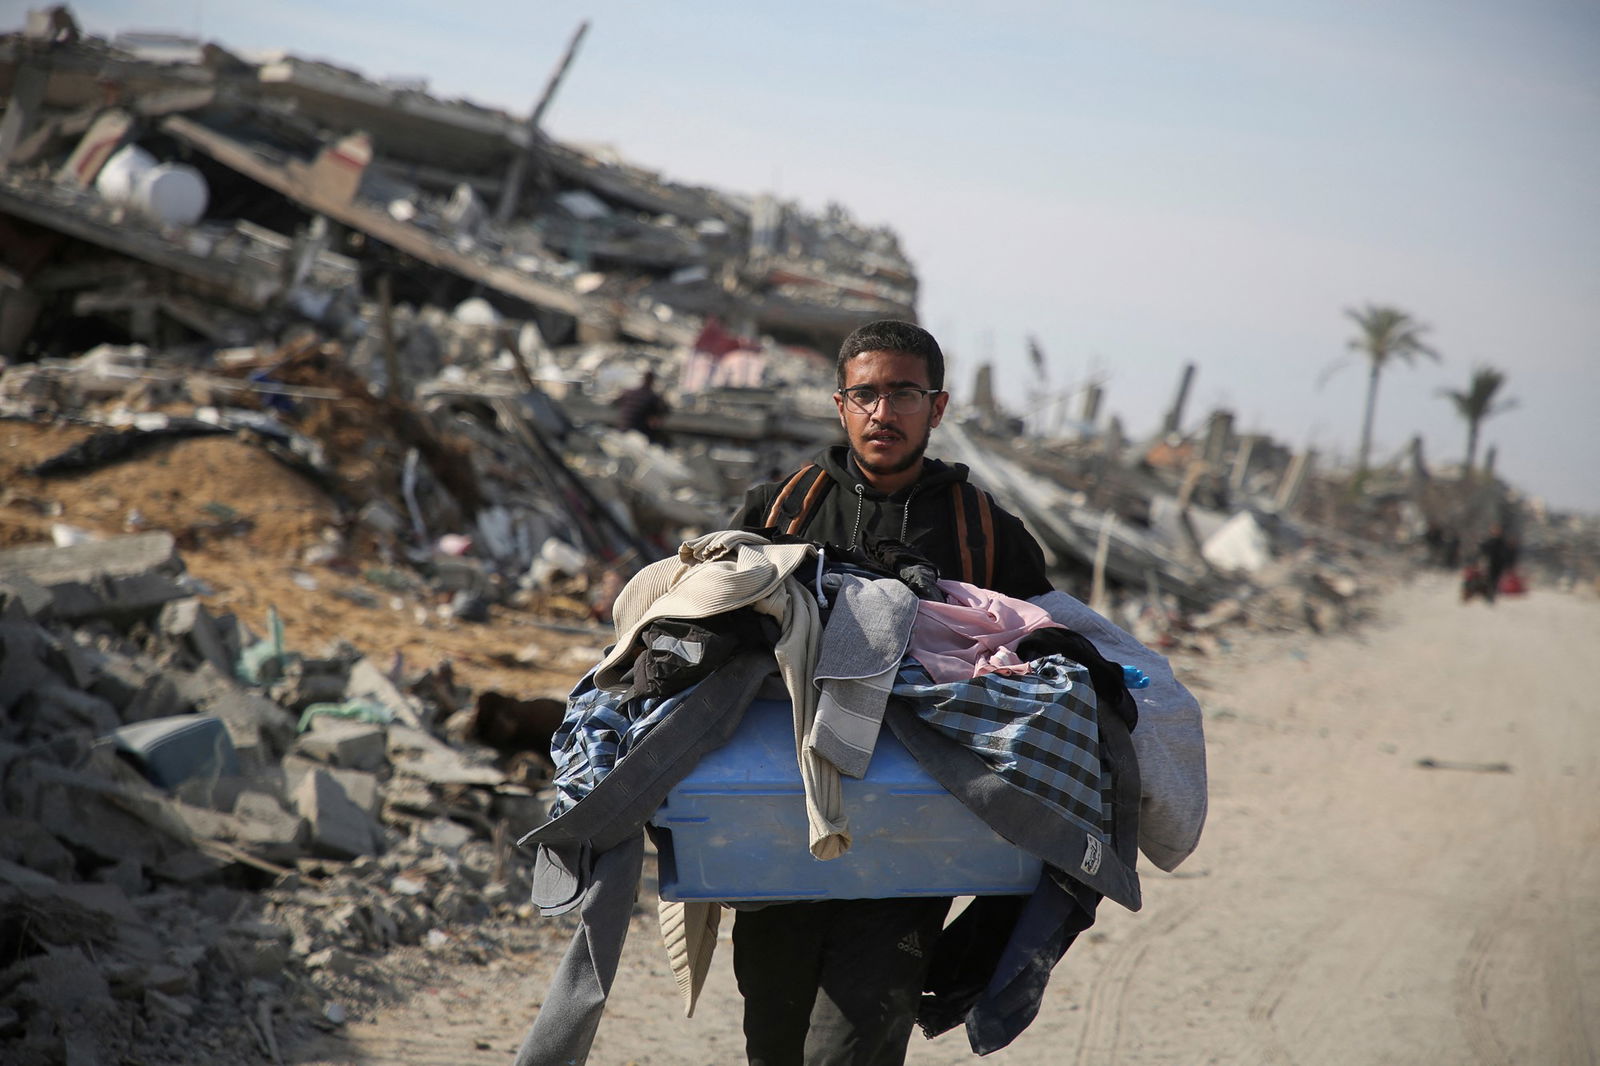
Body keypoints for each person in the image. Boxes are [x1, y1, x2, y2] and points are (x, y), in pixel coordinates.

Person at [726, 319, 1055, 1066]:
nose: (883, 413)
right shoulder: (779, 512)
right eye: (865, 395)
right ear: (839, 406)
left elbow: (1040, 652)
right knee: (772, 1041)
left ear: (936, 408)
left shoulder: (984, 530)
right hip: (783, 826)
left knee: (858, 1045)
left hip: (913, 837)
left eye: (903, 393)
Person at [612, 369, 670, 446]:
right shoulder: (652, 397)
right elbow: (664, 411)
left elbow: (614, 403)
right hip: (638, 432)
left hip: (621, 428)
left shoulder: (629, 393)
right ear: (652, 382)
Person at [1476, 523, 1518, 604]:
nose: (1496, 532)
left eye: (1498, 530)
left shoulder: (1503, 542)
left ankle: (1492, 596)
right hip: (1490, 563)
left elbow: (1507, 554)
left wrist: (1508, 564)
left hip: (1499, 564)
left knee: (1495, 580)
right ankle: (1488, 596)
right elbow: (1483, 549)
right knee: (1489, 580)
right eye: (1495, 530)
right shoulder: (1490, 541)